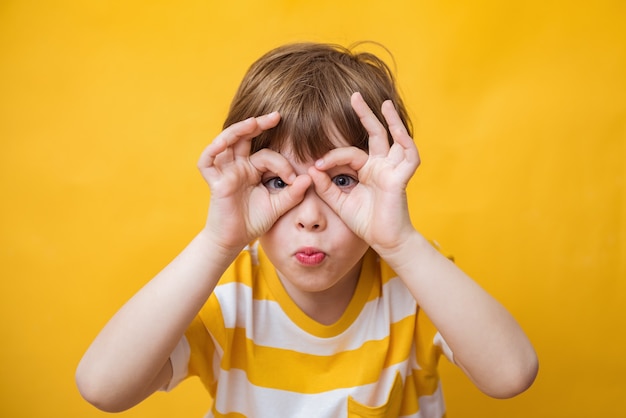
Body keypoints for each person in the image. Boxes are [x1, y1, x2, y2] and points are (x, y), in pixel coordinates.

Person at [76, 42, 538, 417]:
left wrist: (401, 244)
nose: (310, 216)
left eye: (342, 181)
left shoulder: (414, 279)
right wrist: (217, 243)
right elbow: (102, 388)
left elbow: (511, 375)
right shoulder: (227, 295)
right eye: (278, 182)